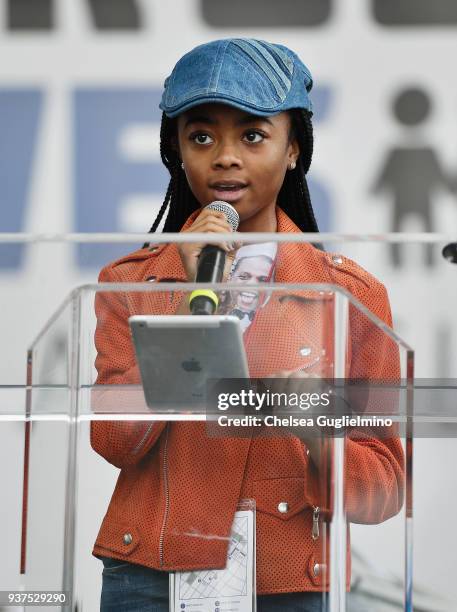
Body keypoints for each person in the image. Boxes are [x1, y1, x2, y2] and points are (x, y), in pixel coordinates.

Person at [90, 38, 404, 611]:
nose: (225, 156)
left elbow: (383, 491)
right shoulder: (131, 284)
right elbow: (112, 440)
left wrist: (317, 430)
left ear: (293, 150)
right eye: (201, 136)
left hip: (286, 581)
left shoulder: (351, 299)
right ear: (176, 151)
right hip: (148, 580)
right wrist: (190, 300)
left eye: (253, 135)